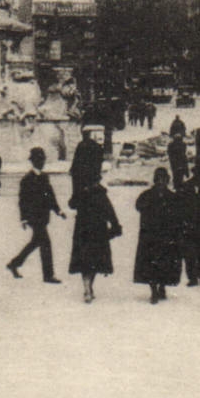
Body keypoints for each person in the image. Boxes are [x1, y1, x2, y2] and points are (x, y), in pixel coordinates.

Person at [67, 126, 122, 303]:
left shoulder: (81, 183)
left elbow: (73, 202)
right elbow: (107, 208)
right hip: (98, 226)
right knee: (96, 259)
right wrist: (115, 224)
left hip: (83, 224)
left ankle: (86, 287)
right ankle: (89, 287)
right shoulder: (99, 191)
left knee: (84, 258)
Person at [7, 147, 66, 283]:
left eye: (43, 159)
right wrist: (24, 218)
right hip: (34, 217)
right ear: (33, 161)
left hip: (43, 217)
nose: (42, 162)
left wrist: (58, 211)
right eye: (39, 160)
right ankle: (48, 275)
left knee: (35, 243)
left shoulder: (45, 177)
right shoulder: (27, 179)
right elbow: (22, 201)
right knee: (45, 244)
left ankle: (14, 264)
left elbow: (50, 196)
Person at [134, 166, 184, 303]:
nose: (161, 183)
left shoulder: (166, 197)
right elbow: (138, 206)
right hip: (156, 236)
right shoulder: (164, 196)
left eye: (163, 180)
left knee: (159, 264)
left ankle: (159, 287)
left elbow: (179, 215)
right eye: (159, 180)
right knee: (156, 264)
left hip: (159, 237)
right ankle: (155, 289)